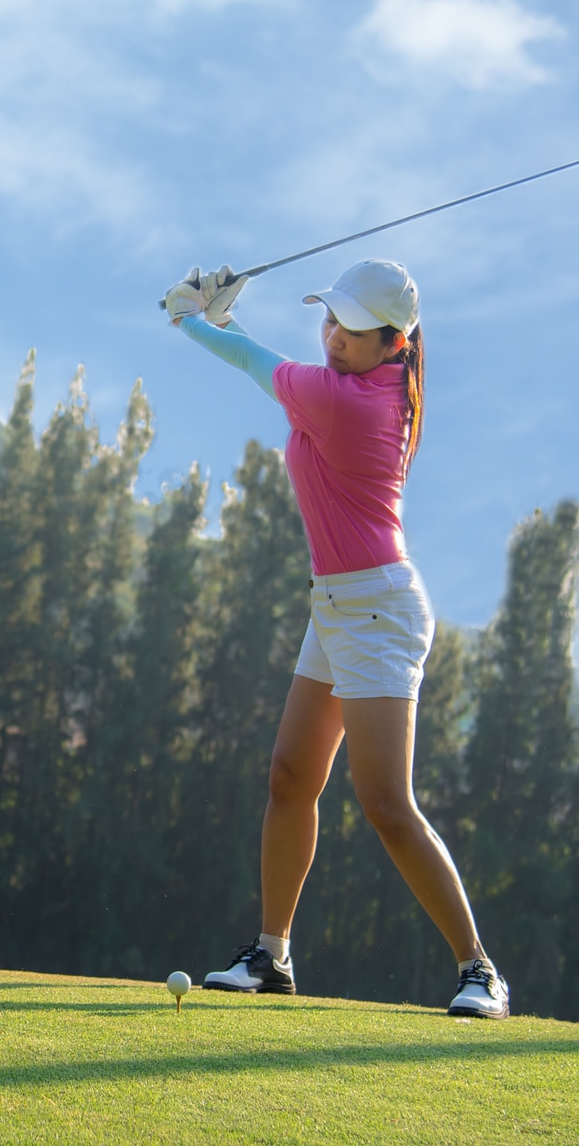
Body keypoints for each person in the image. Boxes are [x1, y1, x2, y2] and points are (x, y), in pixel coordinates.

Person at [164, 259, 508, 1020]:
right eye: (329, 320)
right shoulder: (352, 386)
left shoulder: (353, 404)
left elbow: (257, 365)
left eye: (351, 332)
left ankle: (480, 970)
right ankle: (273, 956)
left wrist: (191, 320)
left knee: (386, 802)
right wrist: (219, 324)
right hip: (339, 604)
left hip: (378, 612)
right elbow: (271, 365)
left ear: (394, 342)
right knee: (291, 777)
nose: (333, 338)